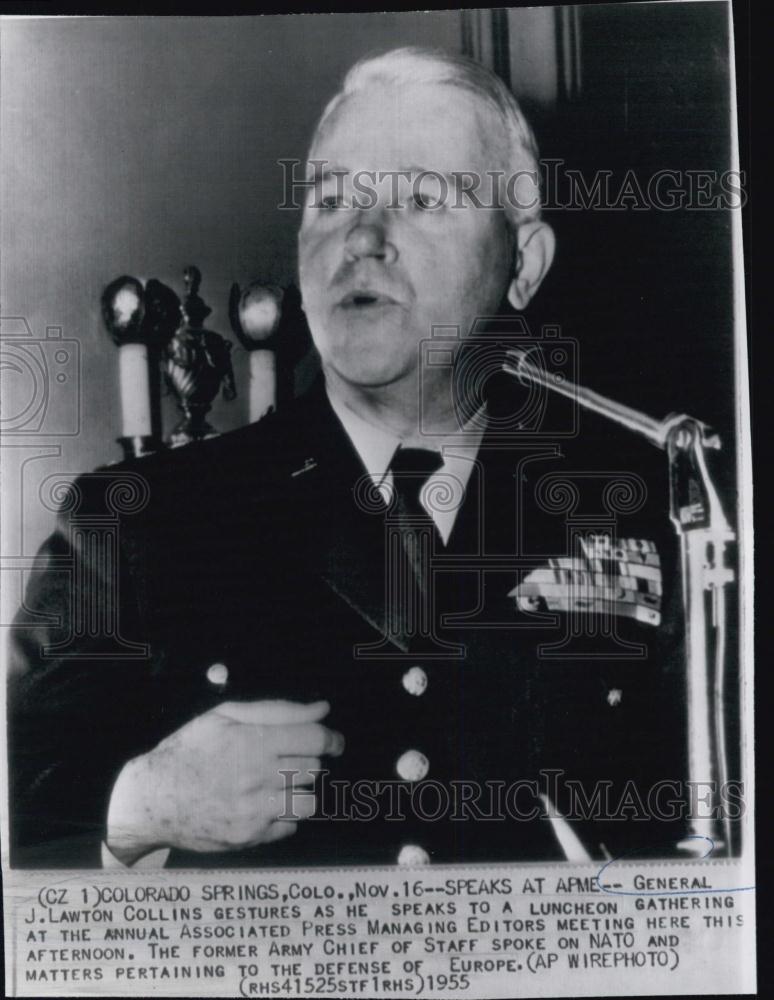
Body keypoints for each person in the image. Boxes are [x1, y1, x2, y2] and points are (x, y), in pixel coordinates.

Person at [8, 47, 687, 869]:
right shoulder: (140, 524)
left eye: (423, 199)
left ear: (524, 263)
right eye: (331, 200)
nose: (361, 237)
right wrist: (141, 805)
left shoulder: (654, 511)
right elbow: (21, 817)